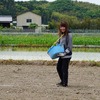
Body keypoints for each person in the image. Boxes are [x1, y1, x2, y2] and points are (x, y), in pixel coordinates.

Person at [56, 21, 72, 87]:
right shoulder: (61, 35)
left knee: (64, 69)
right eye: (61, 27)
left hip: (67, 55)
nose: (62, 28)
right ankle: (62, 81)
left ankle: (65, 83)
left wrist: (65, 53)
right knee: (58, 67)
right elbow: (59, 44)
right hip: (61, 54)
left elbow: (70, 46)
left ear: (66, 27)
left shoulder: (69, 35)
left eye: (64, 27)